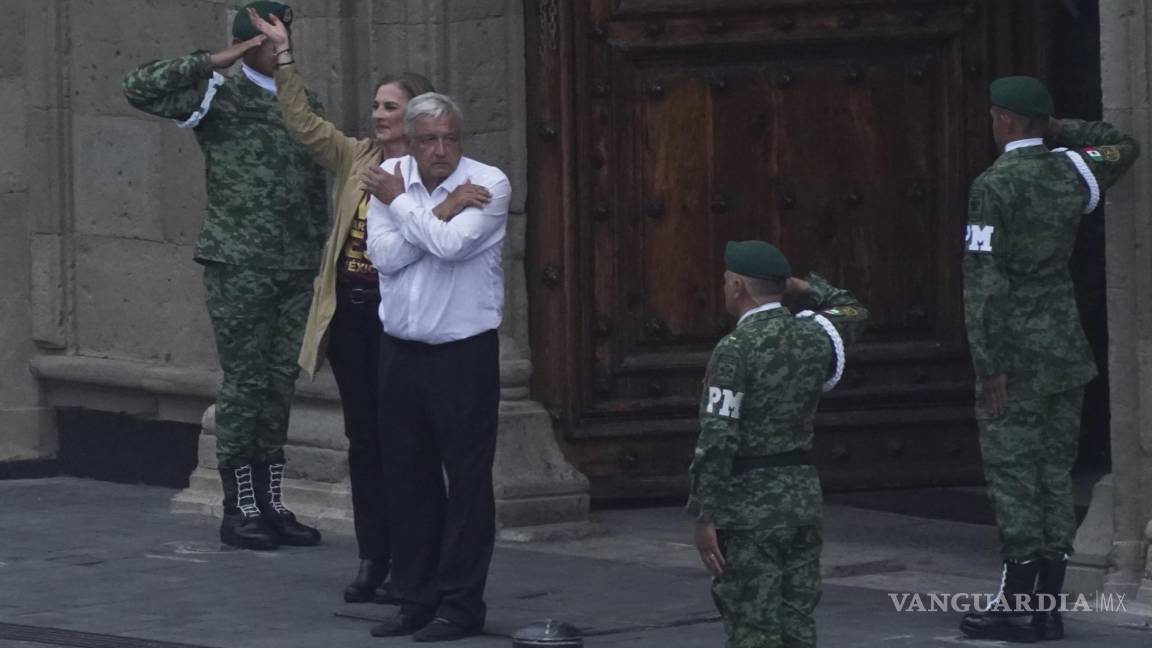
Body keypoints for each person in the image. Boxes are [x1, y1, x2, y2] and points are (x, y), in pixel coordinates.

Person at [245, 9, 489, 605]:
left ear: (417, 117)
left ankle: (415, 567)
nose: (378, 116)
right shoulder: (358, 158)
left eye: (389, 107)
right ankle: (373, 555)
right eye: (377, 107)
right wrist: (283, 58)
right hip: (353, 316)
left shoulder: (435, 174)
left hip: (400, 319)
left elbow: (439, 243)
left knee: (405, 444)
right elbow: (303, 124)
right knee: (365, 442)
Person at [122, 1, 325, 551]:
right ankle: (239, 508)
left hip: (296, 265)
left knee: (279, 385)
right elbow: (138, 87)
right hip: (239, 262)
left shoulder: (302, 100)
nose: (287, 41)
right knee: (245, 384)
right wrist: (217, 58)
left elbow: (315, 189)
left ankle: (271, 501)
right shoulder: (220, 95)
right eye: (277, 33)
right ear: (254, 40)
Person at [960, 76, 1139, 642]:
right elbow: (1121, 143)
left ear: (1006, 121)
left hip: (1013, 359)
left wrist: (988, 364)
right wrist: (1058, 127)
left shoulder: (993, 186)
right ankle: (1046, 608)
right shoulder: (1071, 170)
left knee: (1015, 480)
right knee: (1055, 479)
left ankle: (1018, 606)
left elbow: (982, 283)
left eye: (995, 117)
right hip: (1063, 352)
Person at [363, 92, 510, 643]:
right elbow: (385, 257)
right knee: (406, 479)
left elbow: (451, 248)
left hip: (463, 354)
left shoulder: (489, 183)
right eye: (429, 140)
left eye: (450, 138)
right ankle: (415, 597)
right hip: (400, 352)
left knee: (467, 483)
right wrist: (436, 208)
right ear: (411, 138)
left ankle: (460, 605)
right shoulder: (387, 176)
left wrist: (411, 210)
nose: (442, 151)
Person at [688, 241, 868, 648]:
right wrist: (801, 286)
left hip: (750, 510)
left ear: (737, 286)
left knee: (754, 625)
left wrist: (703, 514)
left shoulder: (735, 350)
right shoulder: (813, 336)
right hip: (802, 500)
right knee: (798, 620)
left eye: (725, 282)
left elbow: (717, 439)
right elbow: (854, 309)